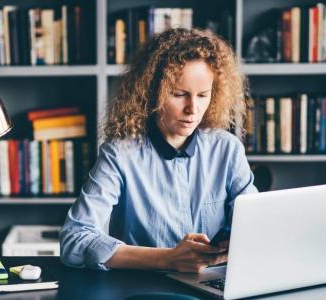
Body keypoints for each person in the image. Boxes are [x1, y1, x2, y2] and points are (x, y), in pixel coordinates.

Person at [60, 28, 258, 273]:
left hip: (214, 288)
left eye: (203, 95)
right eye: (178, 94)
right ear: (151, 92)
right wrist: (168, 259)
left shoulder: (227, 149)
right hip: (145, 290)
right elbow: (74, 240)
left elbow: (255, 222)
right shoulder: (120, 154)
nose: (193, 109)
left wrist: (235, 238)